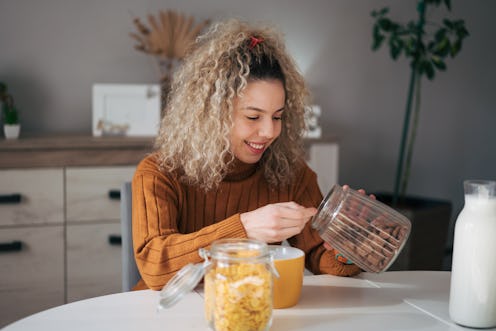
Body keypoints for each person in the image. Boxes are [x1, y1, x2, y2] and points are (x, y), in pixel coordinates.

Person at [131, 19, 361, 291]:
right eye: (253, 116)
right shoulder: (159, 173)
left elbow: (321, 257)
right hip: (165, 315)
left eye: (278, 116)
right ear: (212, 114)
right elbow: (155, 267)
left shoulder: (291, 174)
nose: (269, 131)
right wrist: (244, 228)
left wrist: (351, 243)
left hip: (248, 310)